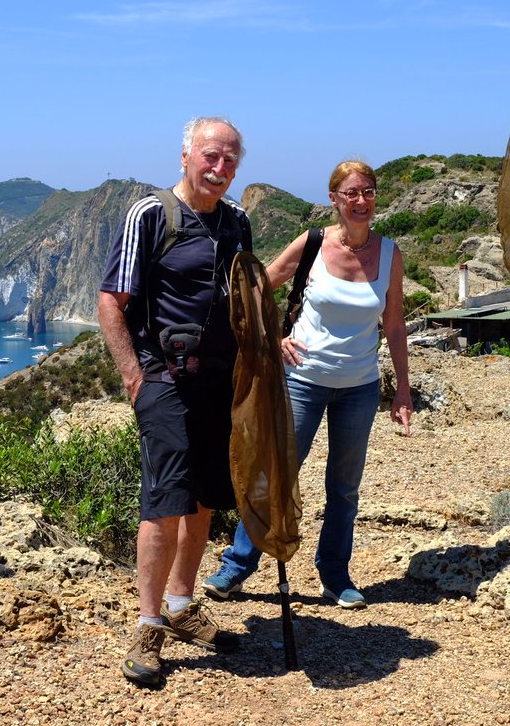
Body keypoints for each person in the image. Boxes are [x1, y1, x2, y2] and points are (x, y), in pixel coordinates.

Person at [203, 160, 413, 609]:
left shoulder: (390, 253)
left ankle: (334, 574)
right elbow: (258, 286)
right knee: (276, 473)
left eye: (369, 192)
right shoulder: (314, 242)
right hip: (303, 381)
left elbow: (394, 326)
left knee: (344, 486)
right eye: (352, 193)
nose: (361, 201)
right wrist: (272, 339)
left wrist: (402, 388)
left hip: (359, 386)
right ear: (335, 198)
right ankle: (237, 565)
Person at [98, 116, 251, 686]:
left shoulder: (237, 222)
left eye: (230, 159)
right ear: (186, 154)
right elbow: (112, 301)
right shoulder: (150, 214)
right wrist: (135, 379)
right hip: (162, 376)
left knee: (206, 497)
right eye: (211, 155)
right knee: (164, 500)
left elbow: (244, 299)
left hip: (220, 379)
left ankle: (184, 607)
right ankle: (148, 623)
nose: (220, 167)